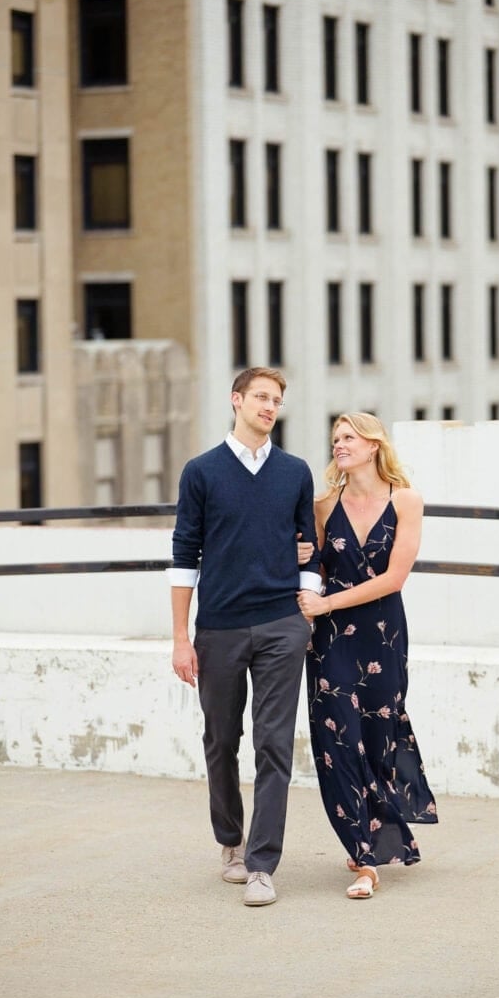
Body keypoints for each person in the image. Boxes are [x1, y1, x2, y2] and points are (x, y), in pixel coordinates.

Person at [169, 367, 320, 908]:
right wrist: (181, 638)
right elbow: (184, 556)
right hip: (220, 629)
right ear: (236, 400)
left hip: (282, 625)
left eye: (276, 400)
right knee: (220, 741)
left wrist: (304, 613)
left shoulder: (295, 472)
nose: (269, 406)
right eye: (260, 397)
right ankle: (229, 843)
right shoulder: (201, 472)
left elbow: (310, 547)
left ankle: (262, 864)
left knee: (274, 744)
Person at [297, 412, 438, 900]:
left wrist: (328, 601)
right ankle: (365, 858)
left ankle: (379, 829)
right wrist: (301, 559)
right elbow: (312, 562)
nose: (339, 444)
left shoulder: (407, 500)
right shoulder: (322, 504)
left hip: (382, 637)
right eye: (335, 438)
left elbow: (394, 578)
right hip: (331, 641)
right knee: (338, 743)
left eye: (349, 437)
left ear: (374, 445)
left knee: (378, 738)